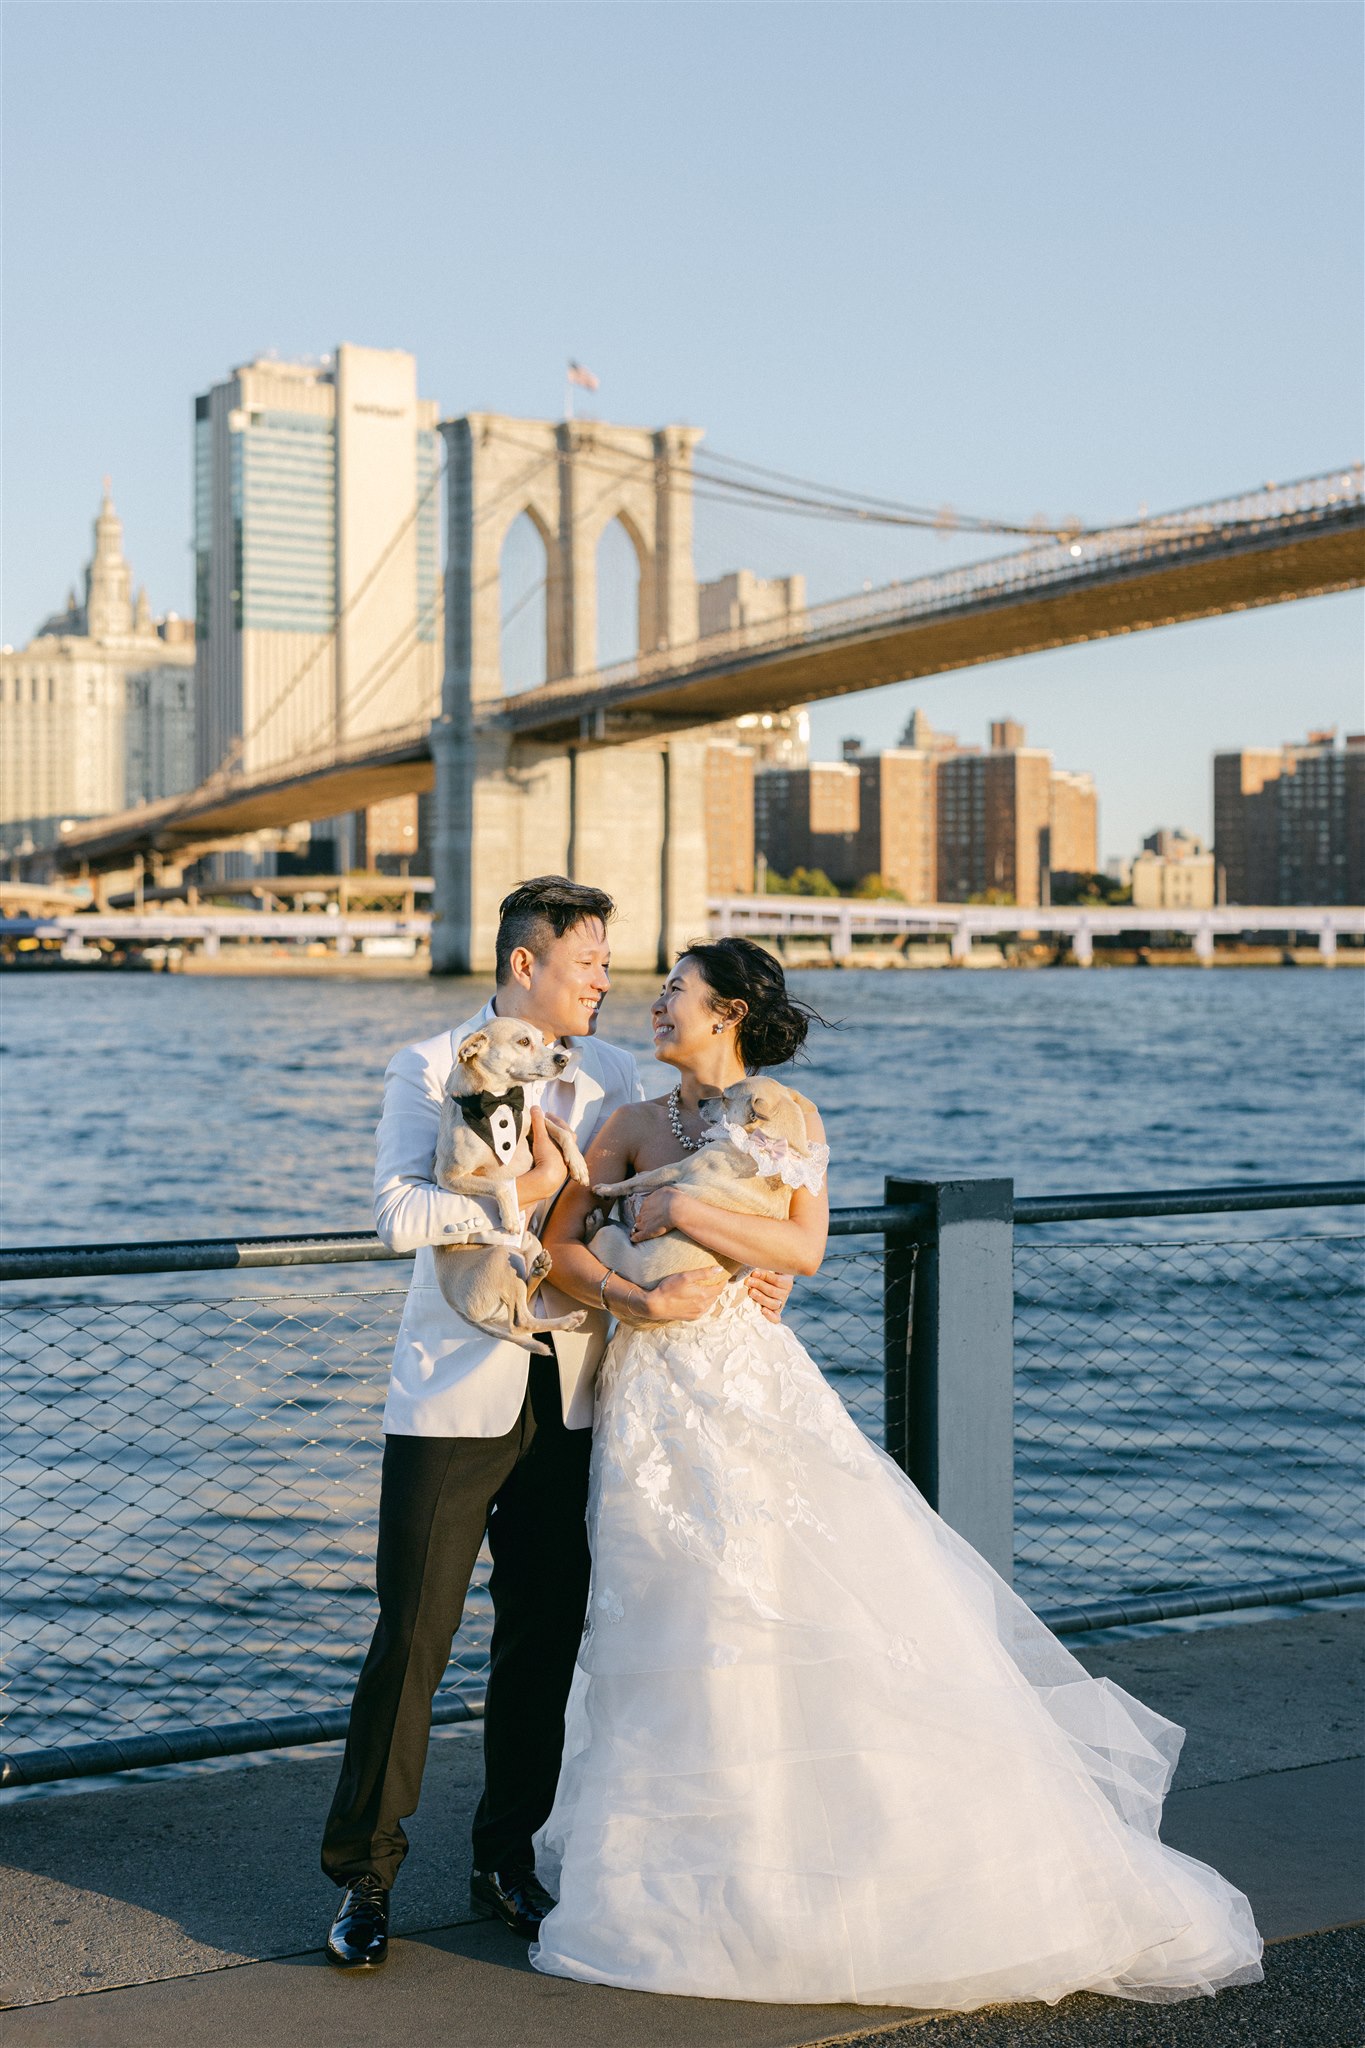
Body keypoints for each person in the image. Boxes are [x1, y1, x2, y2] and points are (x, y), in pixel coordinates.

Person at [527, 935, 1266, 2013]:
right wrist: (632, 1297)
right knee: (661, 1611)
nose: (656, 1003)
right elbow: (561, 1243)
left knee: (776, 1605)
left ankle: (801, 1874)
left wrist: (682, 1210)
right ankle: (670, 1887)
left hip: (748, 1379)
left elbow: (805, 1250)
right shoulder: (630, 1122)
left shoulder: (788, 1118)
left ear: (727, 1011)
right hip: (651, 1391)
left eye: (675, 990)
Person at [320, 879, 792, 1970]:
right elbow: (396, 1214)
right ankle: (363, 1878)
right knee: (413, 1642)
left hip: (580, 1390)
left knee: (542, 1640)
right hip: (452, 1396)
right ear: (526, 964)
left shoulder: (617, 1077)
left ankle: (505, 1859)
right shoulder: (431, 1065)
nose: (607, 984)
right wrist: (512, 1198)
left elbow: (679, 1189)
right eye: (590, 964)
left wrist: (746, 1274)